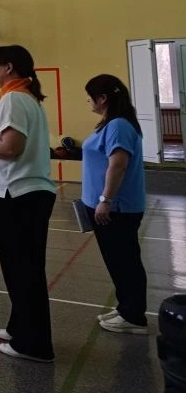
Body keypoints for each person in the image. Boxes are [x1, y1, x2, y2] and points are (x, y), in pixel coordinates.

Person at [0, 45, 56, 363]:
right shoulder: (22, 98)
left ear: (8, 67)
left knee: (23, 269)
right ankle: (20, 326)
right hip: (21, 193)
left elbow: (11, 148)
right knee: (19, 267)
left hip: (19, 194)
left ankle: (35, 344)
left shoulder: (14, 99)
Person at [82, 74, 148, 335]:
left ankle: (134, 316)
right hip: (110, 207)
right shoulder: (111, 123)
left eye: (90, 96)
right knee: (118, 261)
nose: (87, 100)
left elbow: (118, 165)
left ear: (103, 98)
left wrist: (105, 200)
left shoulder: (118, 125)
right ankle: (125, 308)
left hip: (117, 209)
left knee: (125, 261)